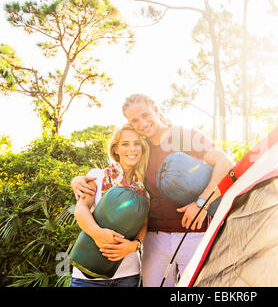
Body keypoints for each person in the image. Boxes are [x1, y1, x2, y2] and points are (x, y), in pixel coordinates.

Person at [71, 93, 234, 287]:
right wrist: (79, 180)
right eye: (134, 120)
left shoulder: (185, 136)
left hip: (194, 234)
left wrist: (202, 203)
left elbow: (226, 163)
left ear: (156, 110)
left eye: (145, 115)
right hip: (153, 240)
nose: (142, 123)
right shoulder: (140, 148)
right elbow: (118, 172)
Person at [69, 123, 150, 287]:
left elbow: (144, 224)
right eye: (125, 144)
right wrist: (98, 234)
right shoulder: (96, 177)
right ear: (115, 149)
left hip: (128, 274)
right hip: (88, 275)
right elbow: (81, 209)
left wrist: (134, 246)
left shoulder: (145, 187)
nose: (132, 149)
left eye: (136, 144)